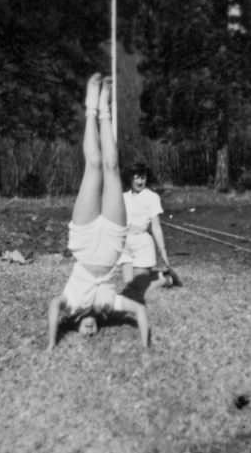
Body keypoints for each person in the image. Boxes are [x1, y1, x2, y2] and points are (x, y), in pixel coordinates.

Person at [46, 74, 149, 350]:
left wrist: (51, 343)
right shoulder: (109, 306)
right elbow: (139, 311)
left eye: (83, 332)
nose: (89, 332)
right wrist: (145, 346)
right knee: (112, 169)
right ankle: (105, 108)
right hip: (111, 245)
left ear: (76, 325)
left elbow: (54, 305)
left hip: (84, 242)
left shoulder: (71, 305)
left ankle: (91, 107)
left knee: (93, 167)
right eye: (93, 333)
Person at [118, 162, 181, 292]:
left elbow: (156, 227)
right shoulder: (123, 197)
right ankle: (160, 277)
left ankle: (167, 280)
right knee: (129, 284)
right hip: (125, 245)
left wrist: (162, 251)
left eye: (143, 178)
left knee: (139, 287)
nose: (140, 181)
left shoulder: (152, 197)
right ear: (130, 178)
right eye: (136, 177)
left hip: (142, 245)